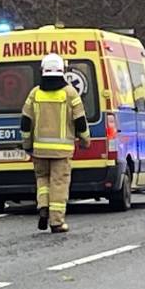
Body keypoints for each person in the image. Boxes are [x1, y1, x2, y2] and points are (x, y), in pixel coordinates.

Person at [20, 53, 87, 233]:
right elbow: (81, 122)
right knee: (59, 183)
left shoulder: (34, 93)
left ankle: (43, 206)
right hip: (62, 152)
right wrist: (85, 140)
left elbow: (25, 122)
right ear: (62, 70)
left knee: (42, 179)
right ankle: (56, 222)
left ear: (42, 70)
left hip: (39, 150)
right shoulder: (70, 93)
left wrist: (27, 144)